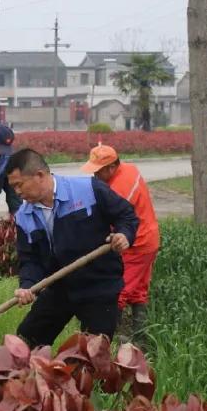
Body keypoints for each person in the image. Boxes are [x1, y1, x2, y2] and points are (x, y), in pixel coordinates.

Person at [6, 148, 139, 349]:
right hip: (59, 285)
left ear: (40, 176)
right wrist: (27, 285)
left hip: (98, 285)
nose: (17, 192)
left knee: (94, 353)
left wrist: (124, 235)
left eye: (19, 185)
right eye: (13, 187)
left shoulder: (88, 189)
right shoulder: (24, 215)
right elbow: (30, 259)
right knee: (26, 340)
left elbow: (126, 216)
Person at [80, 145, 160, 341]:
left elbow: (110, 219)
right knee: (138, 291)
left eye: (98, 171)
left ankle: (106, 340)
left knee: (119, 291)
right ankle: (140, 340)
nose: (95, 176)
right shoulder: (128, 169)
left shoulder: (122, 186)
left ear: (111, 167)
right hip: (146, 239)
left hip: (137, 244)